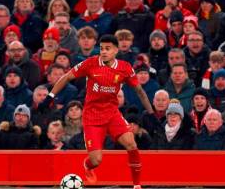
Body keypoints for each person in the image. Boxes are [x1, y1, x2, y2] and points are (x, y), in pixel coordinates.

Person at [42, 34, 154, 188]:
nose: (104, 52)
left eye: (108, 49)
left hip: (112, 113)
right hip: (92, 117)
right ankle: (87, 166)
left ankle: (137, 185)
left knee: (131, 144)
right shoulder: (91, 64)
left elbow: (140, 91)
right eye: (102, 49)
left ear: (116, 50)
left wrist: (151, 113)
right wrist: (50, 96)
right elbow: (67, 77)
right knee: (96, 160)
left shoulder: (125, 68)